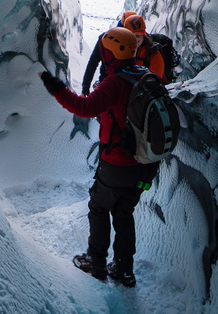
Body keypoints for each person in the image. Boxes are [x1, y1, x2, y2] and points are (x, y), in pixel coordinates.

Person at [40, 26, 158, 287]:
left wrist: (54, 85)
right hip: (145, 165)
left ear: (112, 52)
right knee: (125, 212)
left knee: (100, 207)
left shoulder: (114, 83)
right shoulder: (146, 76)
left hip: (116, 162)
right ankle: (124, 270)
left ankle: (96, 262)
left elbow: (83, 107)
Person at [81, 11, 166, 94]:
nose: (134, 39)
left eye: (137, 35)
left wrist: (86, 87)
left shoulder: (151, 53)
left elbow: (93, 63)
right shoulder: (114, 43)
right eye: (132, 35)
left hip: (124, 94)